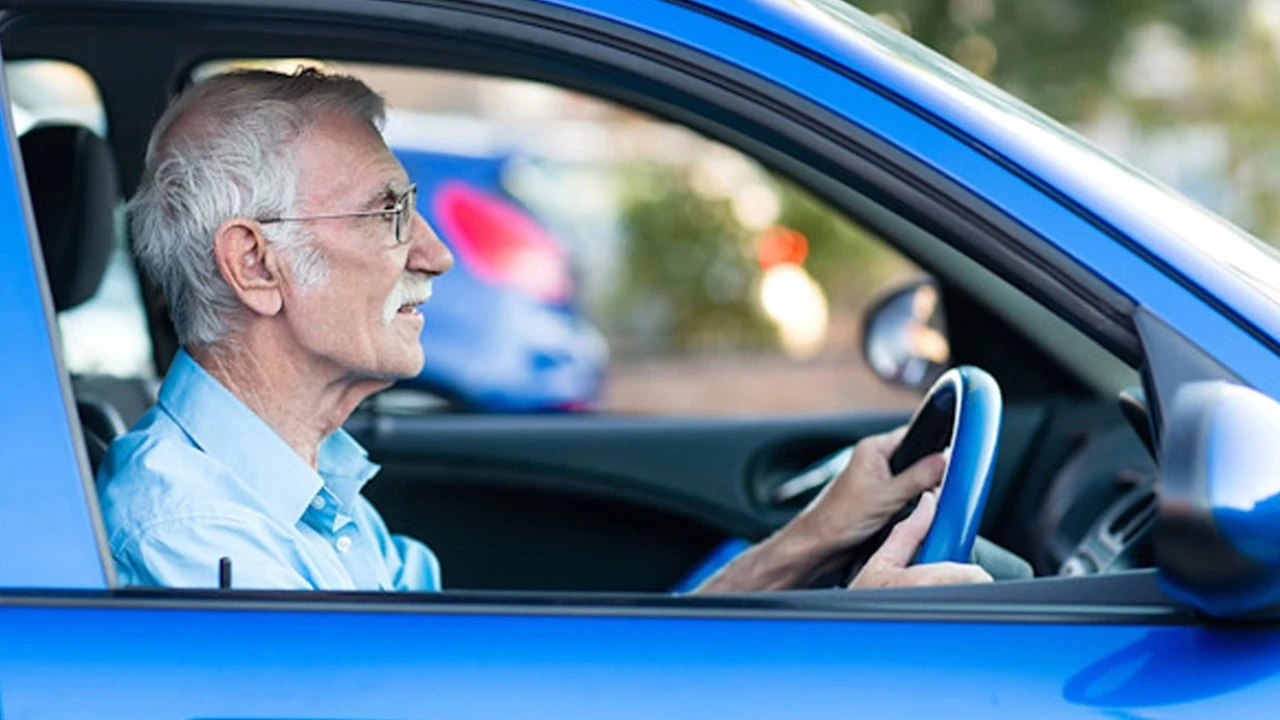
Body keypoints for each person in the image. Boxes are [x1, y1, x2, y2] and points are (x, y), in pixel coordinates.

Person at [97, 68, 992, 592]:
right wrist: (839, 663)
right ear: (256, 265)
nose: (438, 255)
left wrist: (810, 542)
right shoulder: (201, 542)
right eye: (386, 214)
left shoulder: (296, 491)